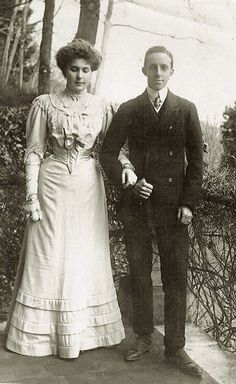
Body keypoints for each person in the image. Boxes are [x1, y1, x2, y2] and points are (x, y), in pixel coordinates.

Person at [5, 39, 136, 359]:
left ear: (92, 72)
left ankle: (81, 334)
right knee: (48, 254)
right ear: (65, 70)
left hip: (88, 187)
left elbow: (113, 149)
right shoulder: (45, 103)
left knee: (84, 254)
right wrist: (31, 196)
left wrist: (128, 167)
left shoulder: (102, 106)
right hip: (51, 185)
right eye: (74, 69)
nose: (80, 76)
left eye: (86, 70)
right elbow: (34, 151)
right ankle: (43, 336)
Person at [100, 45, 203, 376]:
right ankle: (143, 337)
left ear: (172, 71)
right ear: (143, 70)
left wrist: (188, 203)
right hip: (138, 205)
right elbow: (108, 154)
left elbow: (197, 163)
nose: (158, 73)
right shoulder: (129, 109)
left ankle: (175, 347)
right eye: (152, 67)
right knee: (139, 273)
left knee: (176, 275)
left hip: (174, 207)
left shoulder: (186, 109)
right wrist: (129, 181)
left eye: (164, 67)